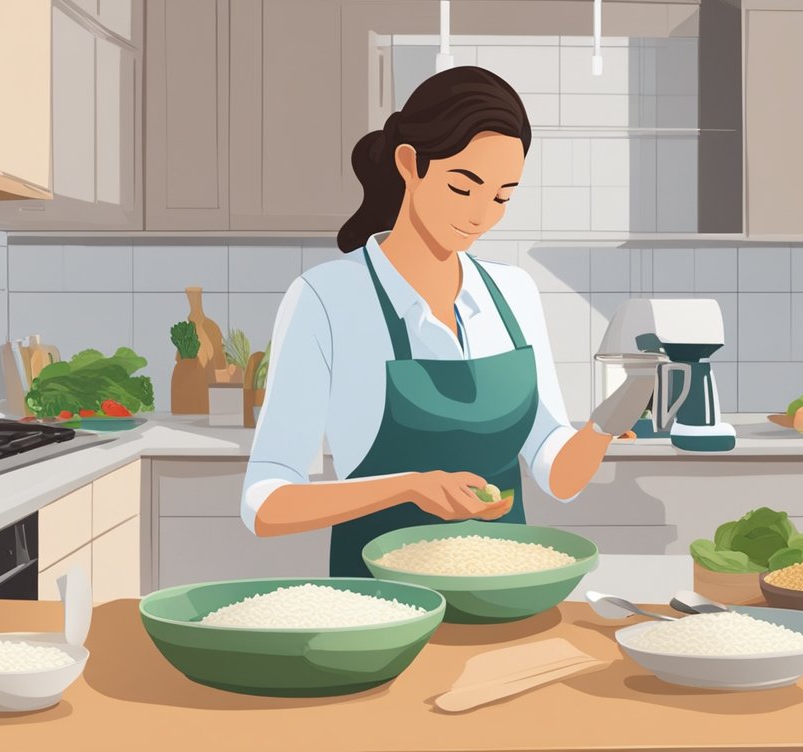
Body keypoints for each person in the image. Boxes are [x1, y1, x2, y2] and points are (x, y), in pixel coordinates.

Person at [241, 66, 645, 576]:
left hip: (505, 591)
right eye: (463, 187)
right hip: (381, 608)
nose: (481, 215)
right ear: (410, 164)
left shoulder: (513, 293)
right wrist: (409, 486)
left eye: (502, 196)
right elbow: (264, 503)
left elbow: (557, 474)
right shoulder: (327, 297)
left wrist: (606, 423)